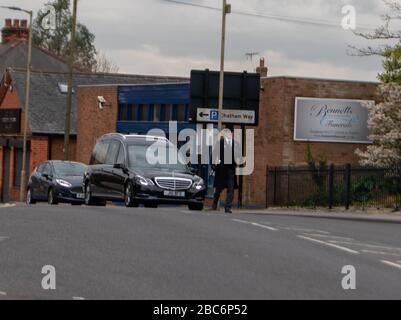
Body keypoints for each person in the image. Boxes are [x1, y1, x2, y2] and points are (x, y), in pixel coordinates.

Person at [212, 126, 239, 214]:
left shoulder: (236, 144)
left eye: (231, 133)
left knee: (230, 189)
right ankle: (214, 203)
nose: (230, 134)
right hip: (221, 169)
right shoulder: (220, 143)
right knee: (219, 189)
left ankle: (227, 207)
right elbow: (214, 154)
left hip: (231, 170)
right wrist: (213, 164)